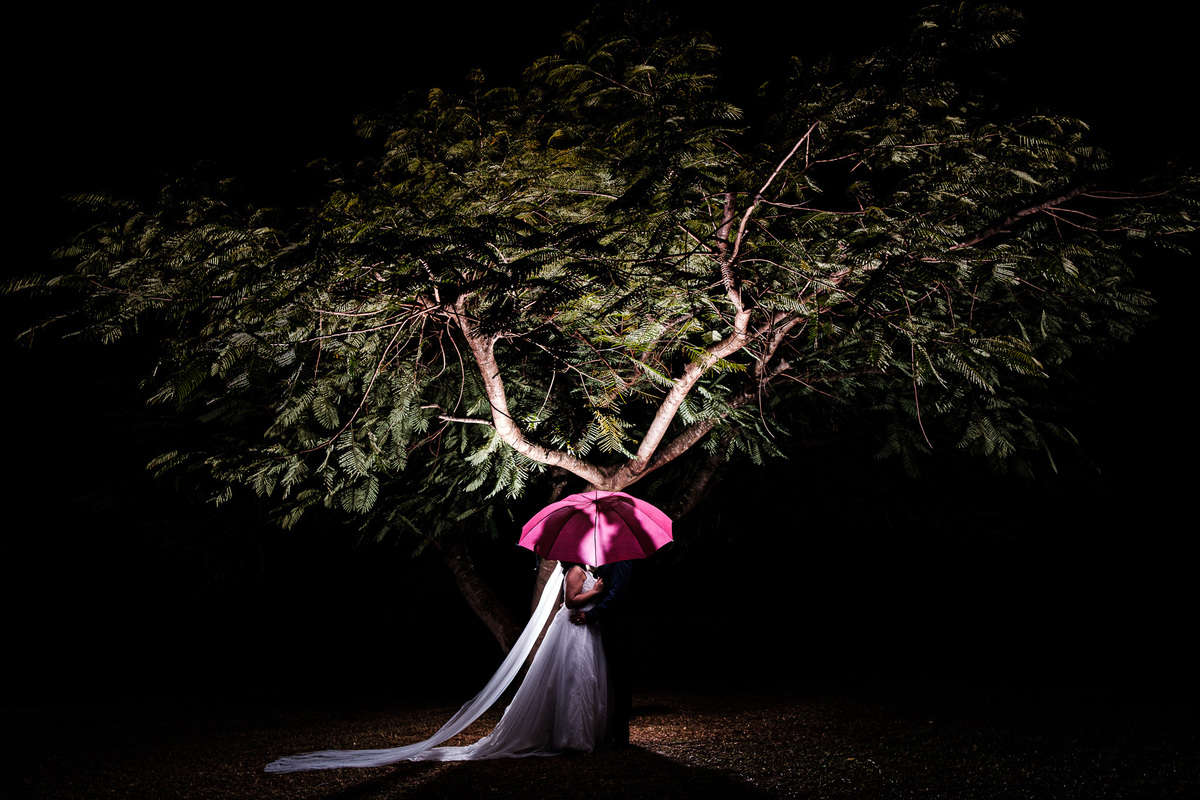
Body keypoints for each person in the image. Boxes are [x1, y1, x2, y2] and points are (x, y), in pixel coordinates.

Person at [265, 561, 609, 772]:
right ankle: (569, 738)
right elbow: (569, 600)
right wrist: (595, 594)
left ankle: (579, 735)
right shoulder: (575, 571)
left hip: (583, 630)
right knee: (570, 681)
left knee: (582, 681)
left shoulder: (591, 570)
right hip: (570, 629)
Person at [570, 559, 634, 747]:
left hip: (618, 629)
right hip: (607, 628)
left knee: (620, 681)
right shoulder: (608, 561)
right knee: (611, 680)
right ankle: (611, 731)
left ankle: (620, 735)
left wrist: (591, 615)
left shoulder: (622, 561)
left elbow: (616, 595)